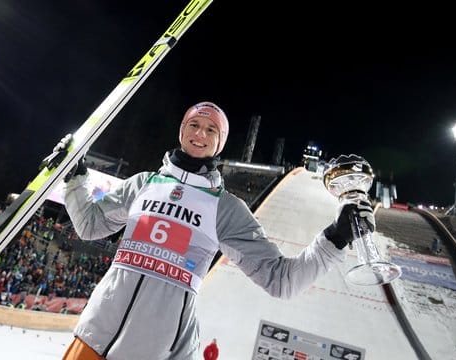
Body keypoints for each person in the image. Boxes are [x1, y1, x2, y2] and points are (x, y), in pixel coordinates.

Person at [48, 101, 375, 360]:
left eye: (211, 130)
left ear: (221, 142)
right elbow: (90, 224)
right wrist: (76, 177)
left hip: (152, 351)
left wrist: (336, 237)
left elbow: (280, 280)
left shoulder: (225, 208)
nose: (200, 134)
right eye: (194, 125)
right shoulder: (143, 185)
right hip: (93, 334)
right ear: (182, 130)